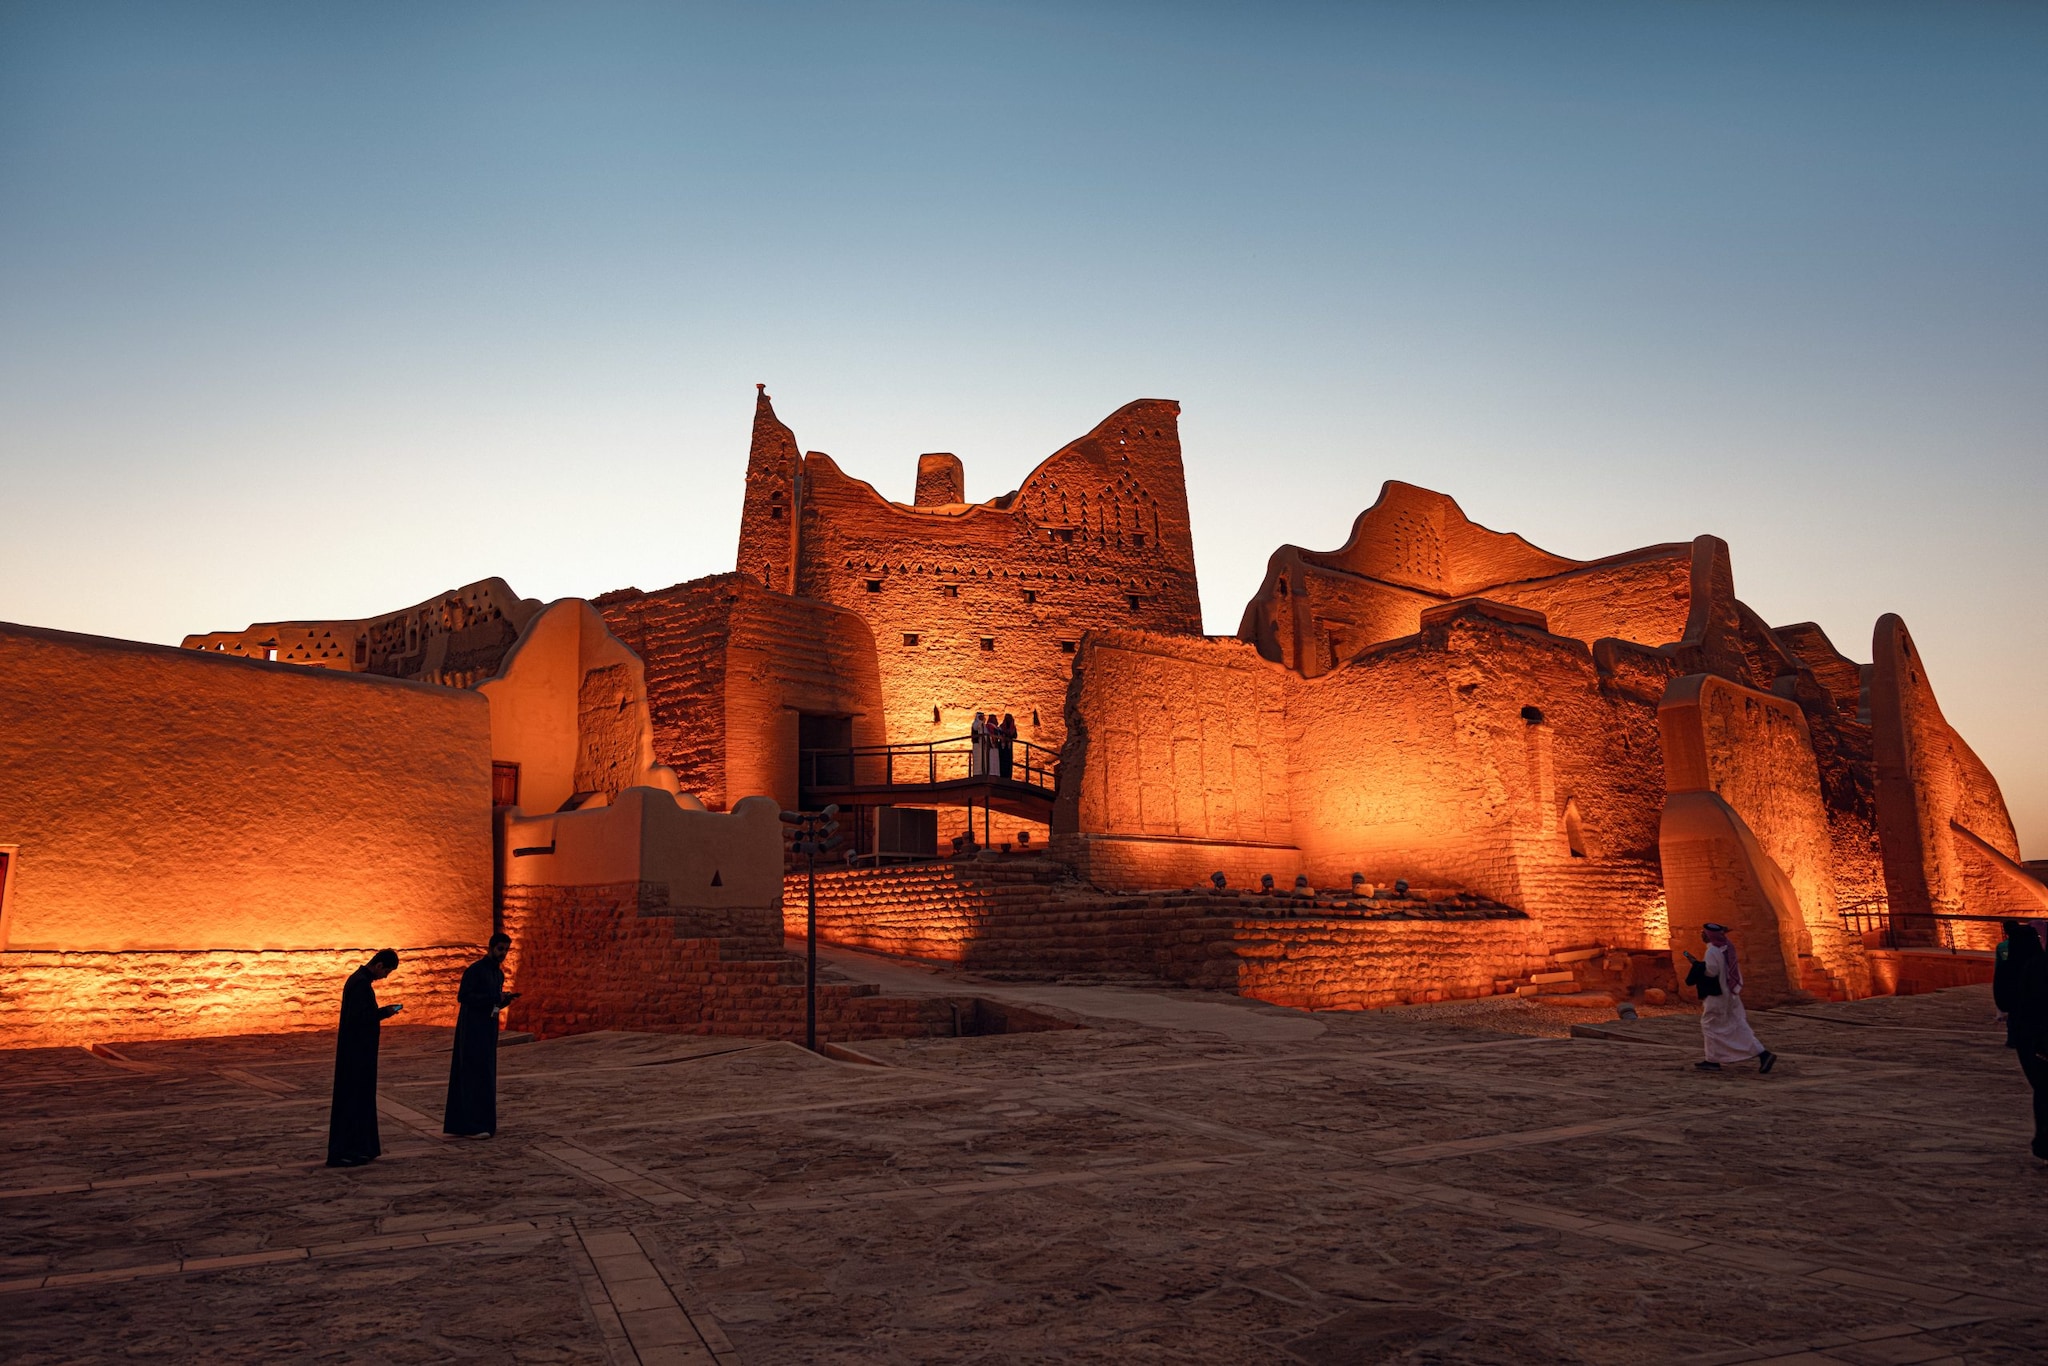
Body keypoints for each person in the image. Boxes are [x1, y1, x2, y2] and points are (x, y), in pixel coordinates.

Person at [327, 948, 402, 1167]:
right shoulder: (360, 984)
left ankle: (359, 1148)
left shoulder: (359, 981)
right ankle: (347, 1150)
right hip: (356, 1055)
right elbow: (361, 1019)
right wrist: (384, 1013)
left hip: (358, 1052)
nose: (385, 976)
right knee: (353, 1102)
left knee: (359, 1102)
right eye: (386, 971)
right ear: (379, 965)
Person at [443, 933, 518, 1139]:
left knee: (485, 1076)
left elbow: (492, 1002)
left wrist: (503, 1001)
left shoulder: (498, 974)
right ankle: (471, 1124)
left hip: (487, 1030)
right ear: (491, 948)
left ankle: (483, 1122)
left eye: (506, 950)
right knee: (472, 1075)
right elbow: (464, 996)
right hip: (472, 1030)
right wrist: (494, 997)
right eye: (500, 949)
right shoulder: (475, 971)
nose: (503, 953)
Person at [1682, 923, 1777, 1074]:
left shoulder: (1712, 951)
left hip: (1718, 996)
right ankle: (1713, 1059)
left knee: (1710, 1025)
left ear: (1708, 936)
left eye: (1703, 933)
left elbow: (1711, 972)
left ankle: (1760, 1054)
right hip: (1730, 994)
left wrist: (1698, 967)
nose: (1702, 935)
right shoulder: (1727, 947)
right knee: (1736, 1024)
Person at [2000, 923, 2048, 1160]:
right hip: (2038, 1036)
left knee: (2043, 1090)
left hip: (2031, 1036)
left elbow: (2012, 997)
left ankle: (2044, 1142)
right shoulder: (2036, 962)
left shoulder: (2033, 966)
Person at [997, 713, 1017, 780]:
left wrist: (1009, 734)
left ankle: (1008, 776)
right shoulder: (1001, 726)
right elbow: (999, 734)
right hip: (1002, 748)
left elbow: (1015, 736)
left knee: (1008, 762)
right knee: (1002, 761)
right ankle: (1002, 775)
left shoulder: (1013, 728)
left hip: (1008, 748)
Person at [969, 712, 988, 776]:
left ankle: (983, 772)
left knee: (983, 759)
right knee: (977, 759)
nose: (982, 718)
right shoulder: (975, 723)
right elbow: (976, 728)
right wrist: (980, 722)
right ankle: (977, 774)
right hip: (977, 745)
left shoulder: (983, 725)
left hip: (982, 745)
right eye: (981, 716)